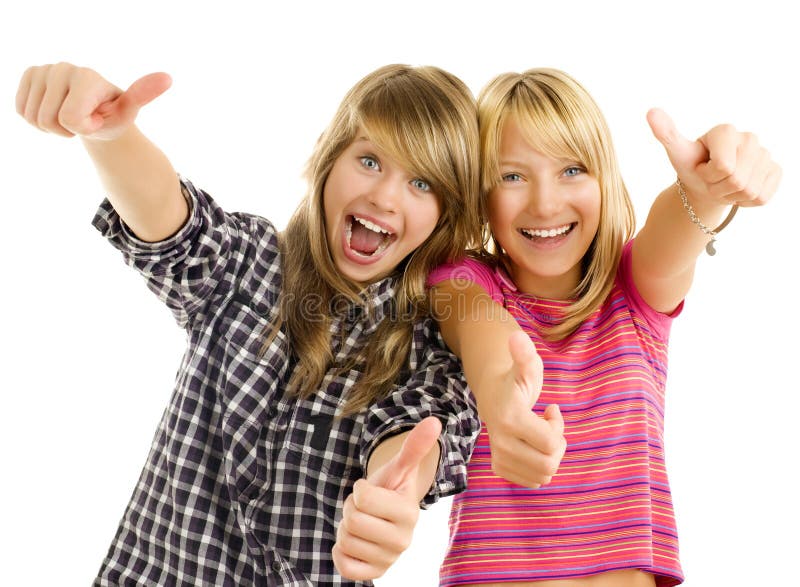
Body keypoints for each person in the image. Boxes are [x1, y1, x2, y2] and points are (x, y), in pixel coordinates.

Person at [15, 62, 484, 586]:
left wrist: (392, 493)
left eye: (421, 182)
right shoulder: (249, 265)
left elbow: (419, 431)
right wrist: (111, 135)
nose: (386, 197)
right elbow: (170, 219)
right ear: (331, 163)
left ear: (446, 215)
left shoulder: (432, 348)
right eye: (370, 160)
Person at [428, 68, 780, 587]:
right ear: (480, 195)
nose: (545, 203)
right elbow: (480, 328)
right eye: (511, 176)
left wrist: (705, 190)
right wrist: (502, 400)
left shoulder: (634, 292)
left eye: (572, 169)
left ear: (605, 180)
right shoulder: (463, 281)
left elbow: (672, 233)